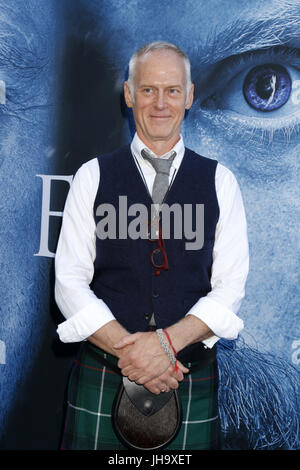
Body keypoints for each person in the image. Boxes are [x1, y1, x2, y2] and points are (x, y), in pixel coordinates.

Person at [55, 41, 249, 450]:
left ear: (189, 96)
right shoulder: (92, 176)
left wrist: (164, 346)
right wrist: (135, 356)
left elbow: (230, 288)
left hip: (187, 375)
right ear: (129, 94)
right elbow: (69, 281)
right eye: (148, 90)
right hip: (104, 373)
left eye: (172, 90)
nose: (161, 103)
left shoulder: (220, 181)